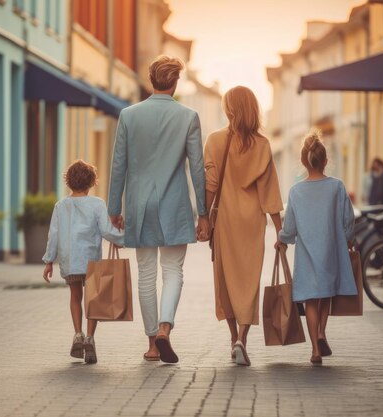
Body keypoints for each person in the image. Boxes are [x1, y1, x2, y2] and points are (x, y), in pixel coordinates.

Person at [108, 55, 208, 364]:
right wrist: (203, 212)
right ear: (176, 82)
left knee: (146, 275)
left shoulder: (128, 115)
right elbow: (197, 169)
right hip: (174, 204)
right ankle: (165, 328)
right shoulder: (189, 116)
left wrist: (114, 208)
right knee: (173, 271)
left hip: (139, 204)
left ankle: (152, 343)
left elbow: (119, 165)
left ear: (151, 79)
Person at [204, 86, 284, 367]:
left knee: (225, 280)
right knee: (249, 282)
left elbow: (211, 185)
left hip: (225, 220)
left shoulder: (215, 141)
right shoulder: (262, 145)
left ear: (230, 109)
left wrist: (203, 218)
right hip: (252, 223)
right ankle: (242, 338)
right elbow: (270, 192)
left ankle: (231, 338)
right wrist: (280, 231)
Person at [278, 130, 356, 365]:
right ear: (325, 161)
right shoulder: (337, 187)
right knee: (326, 295)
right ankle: (322, 331)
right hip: (331, 251)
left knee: (310, 299)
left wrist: (282, 238)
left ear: (303, 162)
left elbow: (289, 227)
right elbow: (348, 219)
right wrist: (347, 239)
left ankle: (314, 349)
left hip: (307, 254)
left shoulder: (296, 191)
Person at [42, 160, 124, 364]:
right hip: (90, 260)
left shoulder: (61, 206)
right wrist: (122, 239)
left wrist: (49, 260)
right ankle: (90, 338)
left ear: (69, 182)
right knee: (93, 300)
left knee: (75, 296)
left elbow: (54, 234)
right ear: (91, 182)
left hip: (70, 259)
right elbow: (106, 230)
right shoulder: (97, 204)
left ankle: (77, 334)